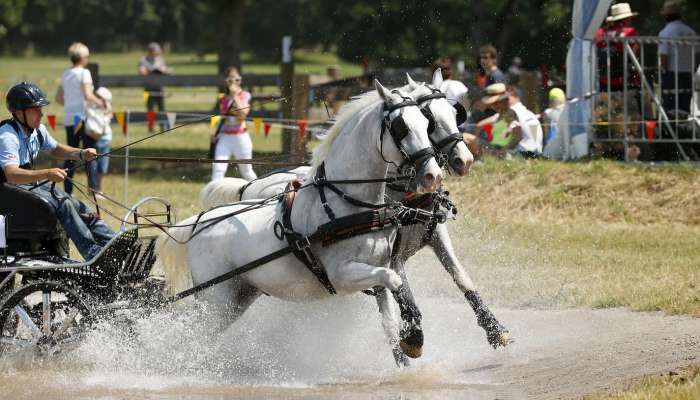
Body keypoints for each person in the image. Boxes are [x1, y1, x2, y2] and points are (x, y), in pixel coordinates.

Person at [0, 82, 115, 260]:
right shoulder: (7, 136)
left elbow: (55, 148)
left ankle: (113, 242)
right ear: (19, 112)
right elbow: (12, 175)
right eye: (35, 109)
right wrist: (47, 173)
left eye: (41, 108)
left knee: (74, 202)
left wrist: (81, 153)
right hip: (7, 194)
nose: (41, 113)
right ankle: (93, 254)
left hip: (23, 188)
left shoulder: (37, 131)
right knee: (64, 204)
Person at [55, 42, 105, 194]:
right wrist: (102, 103)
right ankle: (94, 190)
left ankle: (68, 189)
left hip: (70, 118)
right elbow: (88, 95)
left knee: (71, 153)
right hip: (82, 118)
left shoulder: (65, 73)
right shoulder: (84, 73)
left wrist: (70, 104)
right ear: (82, 57)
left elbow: (58, 98)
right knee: (90, 153)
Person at [465, 84, 543, 159]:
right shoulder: (522, 111)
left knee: (465, 137)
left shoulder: (511, 112)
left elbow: (517, 137)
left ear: (506, 100)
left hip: (519, 154)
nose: (493, 107)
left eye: (495, 103)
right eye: (491, 104)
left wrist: (502, 151)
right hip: (534, 153)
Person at [211, 67, 257, 181]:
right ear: (226, 82)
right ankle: (213, 196)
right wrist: (216, 134)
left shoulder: (245, 95)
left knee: (247, 171)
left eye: (237, 80)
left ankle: (259, 193)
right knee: (218, 169)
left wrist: (235, 95)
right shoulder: (223, 98)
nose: (234, 83)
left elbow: (243, 113)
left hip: (240, 137)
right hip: (225, 137)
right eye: (230, 80)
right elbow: (223, 118)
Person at [658, 0, 698, 114]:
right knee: (685, 108)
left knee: (671, 109)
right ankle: (683, 130)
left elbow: (664, 56)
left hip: (672, 74)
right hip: (687, 73)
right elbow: (697, 54)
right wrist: (693, 68)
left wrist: (663, 72)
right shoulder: (690, 31)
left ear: (666, 16)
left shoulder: (665, 32)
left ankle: (673, 130)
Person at [595, 3, 640, 92]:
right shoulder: (630, 32)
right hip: (624, 81)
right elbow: (634, 56)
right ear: (626, 18)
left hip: (603, 81)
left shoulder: (600, 33)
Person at [84, 87, 113, 194]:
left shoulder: (106, 107)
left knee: (102, 166)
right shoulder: (90, 106)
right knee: (93, 164)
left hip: (104, 139)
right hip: (93, 137)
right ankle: (93, 190)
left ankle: (99, 190)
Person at [138, 42, 169, 132]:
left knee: (161, 108)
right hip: (149, 88)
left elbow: (165, 69)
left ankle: (163, 127)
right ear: (150, 51)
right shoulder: (143, 60)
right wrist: (148, 71)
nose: (157, 52)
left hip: (160, 88)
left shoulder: (161, 59)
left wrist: (162, 71)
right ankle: (151, 128)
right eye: (155, 50)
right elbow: (141, 71)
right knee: (150, 108)